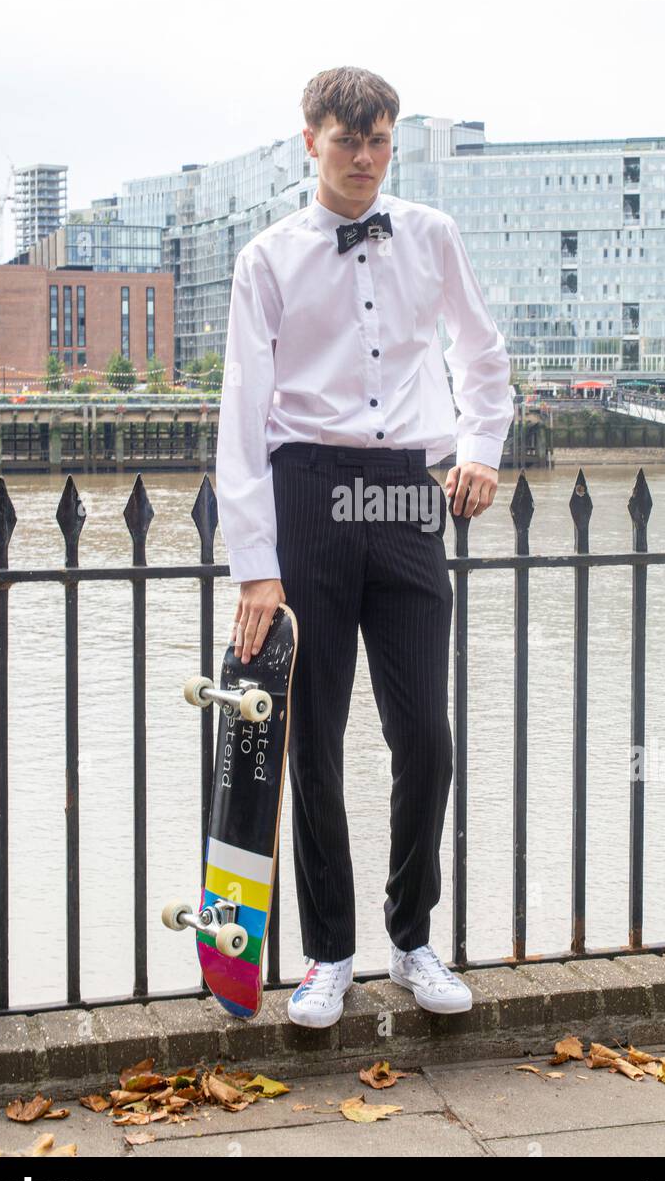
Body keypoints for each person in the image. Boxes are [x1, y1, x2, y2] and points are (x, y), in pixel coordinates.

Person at [215, 66, 514, 1029]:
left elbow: (481, 355)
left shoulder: (432, 235)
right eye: (348, 140)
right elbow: (242, 414)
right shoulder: (267, 257)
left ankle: (413, 938)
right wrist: (254, 562)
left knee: (425, 737)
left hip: (406, 497)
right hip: (307, 492)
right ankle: (329, 955)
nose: (366, 158)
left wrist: (478, 448)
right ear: (310, 140)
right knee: (317, 743)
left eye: (380, 139)